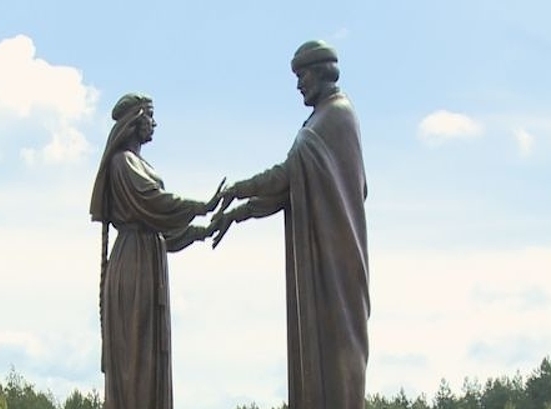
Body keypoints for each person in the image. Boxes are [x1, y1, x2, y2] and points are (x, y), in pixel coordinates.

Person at [212, 40, 370, 409]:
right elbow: (294, 185)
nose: (299, 84)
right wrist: (241, 210)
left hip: (337, 263)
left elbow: (288, 176)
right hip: (324, 261)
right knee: (322, 358)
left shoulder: (336, 115)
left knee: (338, 357)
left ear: (324, 71)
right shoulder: (320, 118)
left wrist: (239, 190)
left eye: (303, 75)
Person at [89, 93, 222, 409]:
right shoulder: (123, 163)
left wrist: (202, 232)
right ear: (135, 120)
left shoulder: (136, 163)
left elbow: (162, 230)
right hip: (134, 263)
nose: (155, 123)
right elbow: (155, 205)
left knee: (146, 354)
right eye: (150, 115)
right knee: (136, 355)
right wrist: (200, 207)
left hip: (146, 255)